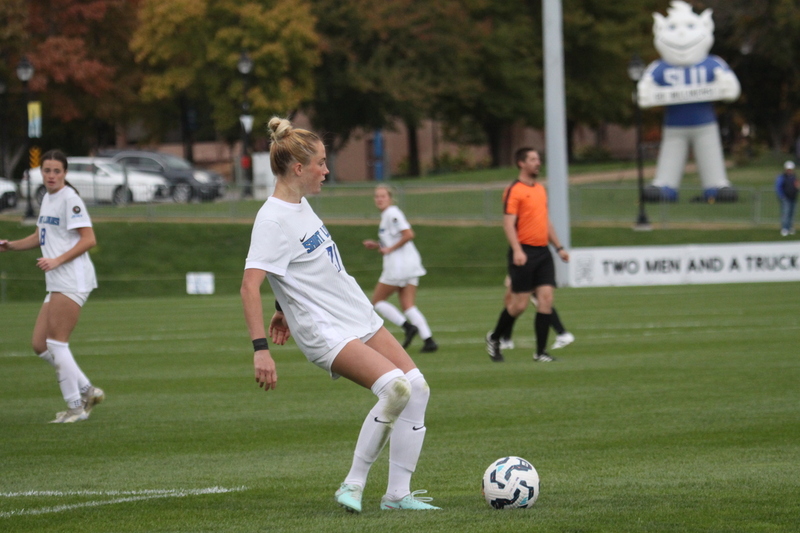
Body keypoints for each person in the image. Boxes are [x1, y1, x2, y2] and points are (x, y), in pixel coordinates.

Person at [241, 117, 440, 513]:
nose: (327, 171)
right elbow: (249, 285)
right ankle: (353, 484)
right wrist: (260, 349)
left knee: (417, 388)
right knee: (394, 389)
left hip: (357, 314)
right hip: (324, 329)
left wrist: (280, 309)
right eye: (321, 163)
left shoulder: (300, 204)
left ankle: (397, 494)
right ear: (298, 169)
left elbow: (299, 267)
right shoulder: (271, 219)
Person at [0, 150, 104, 423]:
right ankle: (87, 390)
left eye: (57, 171)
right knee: (39, 344)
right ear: (41, 172)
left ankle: (76, 407)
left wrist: (57, 260)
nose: (52, 175)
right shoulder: (47, 197)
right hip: (58, 278)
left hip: (72, 277)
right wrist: (10, 246)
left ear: (65, 174)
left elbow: (89, 239)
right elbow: (40, 235)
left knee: (57, 343)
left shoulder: (70, 198)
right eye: (47, 170)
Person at [485, 147, 569, 363]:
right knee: (519, 305)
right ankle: (494, 338)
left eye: (538, 159)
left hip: (543, 252)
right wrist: (518, 250)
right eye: (533, 159)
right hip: (524, 252)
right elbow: (508, 223)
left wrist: (558, 247)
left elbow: (546, 221)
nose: (537, 163)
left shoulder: (541, 189)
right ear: (521, 163)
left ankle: (540, 352)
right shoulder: (514, 190)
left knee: (546, 300)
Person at [362, 185, 438, 353]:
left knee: (376, 302)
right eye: (377, 197)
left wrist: (389, 249)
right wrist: (378, 245)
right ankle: (429, 340)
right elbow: (394, 239)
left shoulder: (392, 213)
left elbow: (409, 234)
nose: (379, 199)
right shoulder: (387, 215)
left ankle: (408, 327)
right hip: (409, 265)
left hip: (399, 267)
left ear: (390, 198)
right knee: (408, 306)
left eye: (383, 196)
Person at [498, 276, 574, 351]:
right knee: (516, 300)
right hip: (530, 269)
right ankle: (506, 338)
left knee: (522, 300)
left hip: (527, 269)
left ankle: (562, 334)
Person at [775, 160, 798, 236]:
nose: (790, 171)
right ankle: (784, 228)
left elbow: (796, 186)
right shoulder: (782, 177)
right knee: (786, 214)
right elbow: (778, 187)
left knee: (792, 214)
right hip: (786, 198)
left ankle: (790, 227)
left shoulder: (794, 177)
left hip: (793, 198)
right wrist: (782, 196)